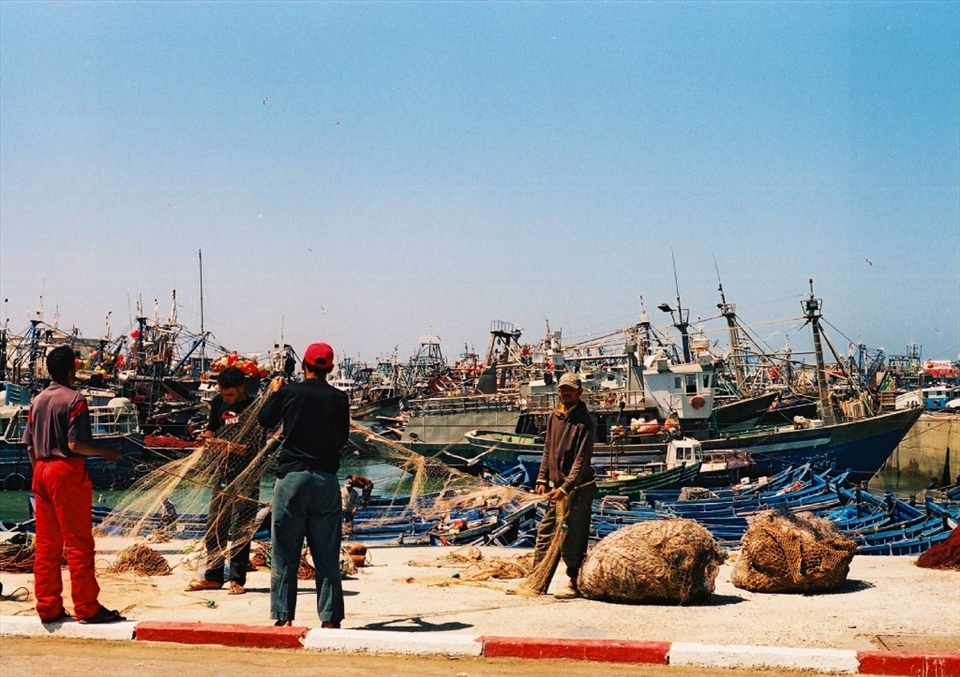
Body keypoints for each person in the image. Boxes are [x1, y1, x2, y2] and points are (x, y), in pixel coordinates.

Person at [23, 345, 126, 624]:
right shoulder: (75, 399)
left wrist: (40, 474)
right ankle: (87, 607)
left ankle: (48, 607)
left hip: (41, 470)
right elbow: (75, 444)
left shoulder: (38, 400)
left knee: (47, 544)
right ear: (73, 369)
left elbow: (29, 445)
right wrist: (107, 452)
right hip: (65, 471)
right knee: (79, 543)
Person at [258, 342, 350, 628]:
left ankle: (284, 618)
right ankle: (330, 619)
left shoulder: (289, 391)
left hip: (292, 479)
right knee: (326, 554)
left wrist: (274, 392)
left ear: (303, 366)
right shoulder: (339, 398)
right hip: (325, 480)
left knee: (285, 552)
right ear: (330, 369)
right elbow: (343, 439)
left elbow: (265, 420)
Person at [186, 366, 260, 595]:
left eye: (229, 395)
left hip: (247, 474)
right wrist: (205, 437)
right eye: (222, 394)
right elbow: (212, 429)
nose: (225, 399)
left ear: (241, 388)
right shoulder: (218, 402)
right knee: (215, 524)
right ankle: (213, 576)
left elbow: (254, 449)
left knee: (241, 527)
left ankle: (237, 579)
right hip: (223, 471)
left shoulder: (254, 408)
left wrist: (225, 445)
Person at [533, 372, 596, 599]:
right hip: (556, 488)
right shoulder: (554, 416)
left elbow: (581, 461)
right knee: (545, 534)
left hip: (578, 489)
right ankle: (537, 581)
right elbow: (548, 449)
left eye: (570, 388)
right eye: (562, 389)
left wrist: (565, 487)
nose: (565, 392)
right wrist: (542, 478)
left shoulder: (585, 421)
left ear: (579, 392)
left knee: (573, 538)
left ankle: (574, 582)